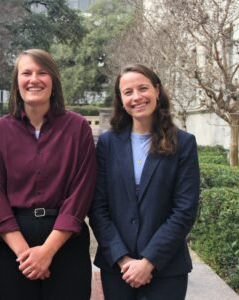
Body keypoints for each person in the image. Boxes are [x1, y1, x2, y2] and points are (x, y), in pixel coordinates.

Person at [0, 49, 97, 300]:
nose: (34, 79)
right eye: (26, 73)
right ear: (17, 82)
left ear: (54, 81)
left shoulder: (77, 129)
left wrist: (47, 251)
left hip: (65, 241)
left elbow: (81, 193)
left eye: (42, 73)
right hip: (11, 244)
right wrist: (26, 255)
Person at [89, 63, 200, 300]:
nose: (136, 97)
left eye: (143, 88)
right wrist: (123, 258)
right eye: (128, 92)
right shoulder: (108, 144)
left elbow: (185, 209)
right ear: (121, 99)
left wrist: (149, 261)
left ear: (157, 90)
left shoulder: (184, 144)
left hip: (167, 269)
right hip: (118, 270)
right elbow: (97, 208)